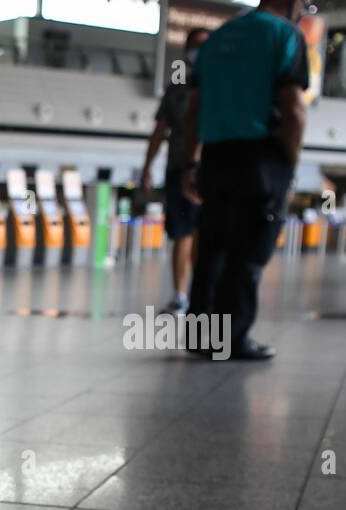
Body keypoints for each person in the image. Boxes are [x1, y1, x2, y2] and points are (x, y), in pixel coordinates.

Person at [182, 0, 310, 361]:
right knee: (248, 251)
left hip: (215, 155)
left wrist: (191, 164)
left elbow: (195, 108)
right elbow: (293, 107)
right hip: (260, 156)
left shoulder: (219, 36)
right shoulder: (285, 35)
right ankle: (232, 339)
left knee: (212, 248)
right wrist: (290, 159)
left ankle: (201, 336)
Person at [141, 27, 209, 314]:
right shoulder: (177, 88)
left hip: (209, 172)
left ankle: (200, 294)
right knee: (181, 233)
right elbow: (159, 131)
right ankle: (181, 294)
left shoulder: (219, 85)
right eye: (193, 46)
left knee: (203, 235)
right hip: (178, 168)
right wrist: (147, 167)